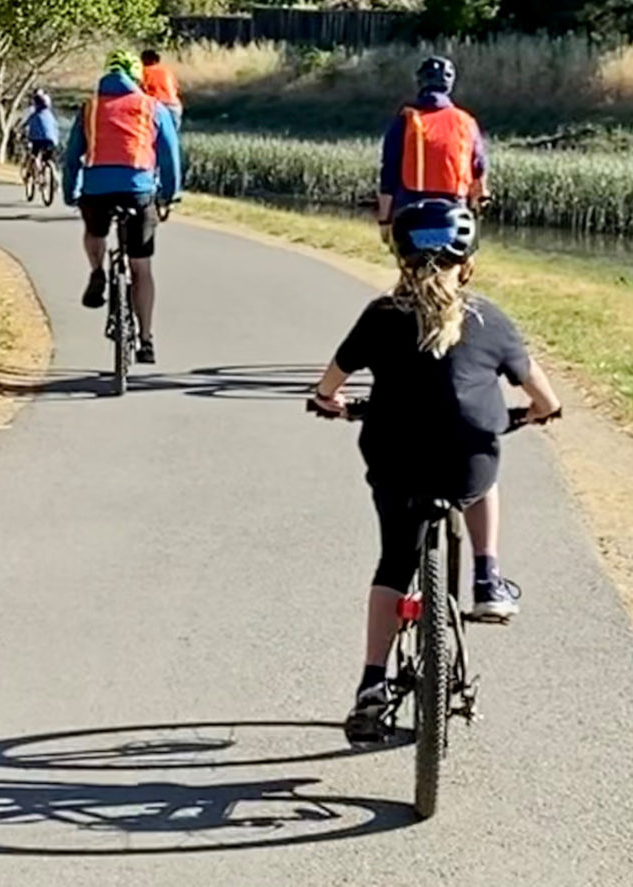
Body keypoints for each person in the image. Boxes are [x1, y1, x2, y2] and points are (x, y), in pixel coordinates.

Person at [309, 199, 561, 744]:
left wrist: (330, 402)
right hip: (465, 459)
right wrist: (535, 415)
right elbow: (545, 397)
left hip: (396, 457)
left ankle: (371, 685)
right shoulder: (488, 317)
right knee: (483, 477)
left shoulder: (381, 315)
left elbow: (331, 384)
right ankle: (487, 577)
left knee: (394, 563)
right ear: (466, 262)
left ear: (401, 257)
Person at [63, 49, 181, 365]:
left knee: (94, 229)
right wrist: (169, 195)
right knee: (141, 268)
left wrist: (70, 193)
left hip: (96, 188)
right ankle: (145, 340)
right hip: (138, 190)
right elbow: (169, 156)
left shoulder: (90, 107)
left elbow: (72, 156)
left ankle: (97, 270)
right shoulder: (152, 107)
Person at [377, 56, 489, 244]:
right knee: (466, 259)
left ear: (420, 83)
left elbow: (388, 174)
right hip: (455, 209)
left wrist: (384, 221)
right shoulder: (466, 121)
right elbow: (480, 170)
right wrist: (479, 200)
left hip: (410, 211)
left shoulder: (406, 119)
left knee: (406, 260)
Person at [140, 49, 182, 130]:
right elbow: (176, 89)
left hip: (156, 106)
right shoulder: (167, 72)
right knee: (171, 137)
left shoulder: (143, 72)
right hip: (174, 106)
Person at [22, 88, 59, 163]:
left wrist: (22, 130)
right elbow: (55, 126)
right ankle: (50, 167)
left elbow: (27, 124)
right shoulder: (50, 115)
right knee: (47, 157)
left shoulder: (34, 115)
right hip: (52, 140)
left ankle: (36, 167)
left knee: (35, 154)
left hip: (37, 140)